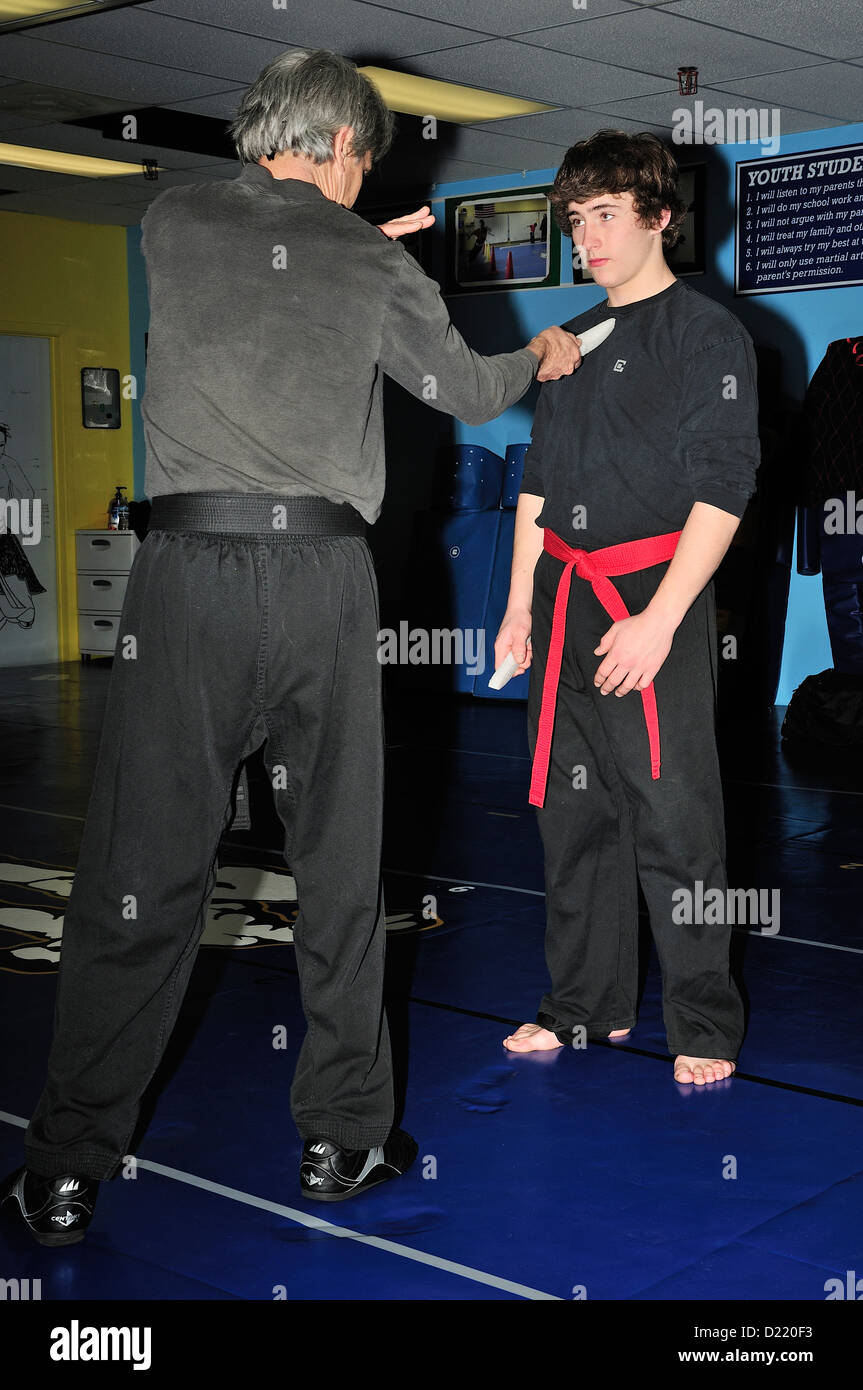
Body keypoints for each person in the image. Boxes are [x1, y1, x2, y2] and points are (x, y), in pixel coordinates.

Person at [1, 48, 581, 1246]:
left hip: (184, 581)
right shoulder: (366, 254)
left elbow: (274, 270)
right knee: (336, 866)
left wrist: (358, 243)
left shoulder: (171, 217)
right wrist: (541, 353)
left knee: (138, 876)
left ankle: (63, 1169)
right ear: (342, 148)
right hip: (319, 580)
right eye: (362, 160)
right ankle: (341, 1139)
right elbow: (472, 395)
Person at [495, 130, 760, 1085]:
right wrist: (519, 603)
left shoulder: (706, 334)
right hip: (566, 598)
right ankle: (581, 1007)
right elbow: (536, 480)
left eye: (605, 215)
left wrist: (659, 621)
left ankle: (700, 1022)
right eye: (574, 219)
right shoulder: (571, 340)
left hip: (655, 596)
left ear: (660, 218)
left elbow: (725, 487)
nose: (586, 237)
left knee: (673, 816)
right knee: (573, 820)